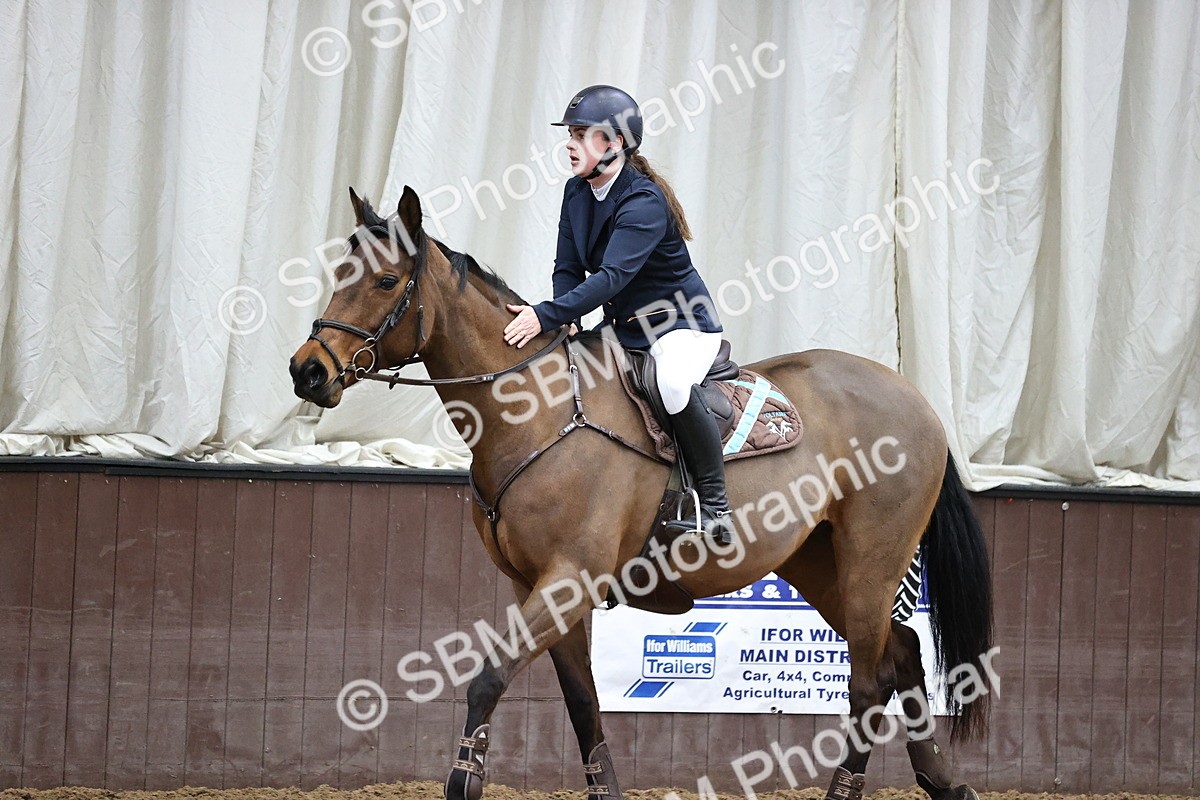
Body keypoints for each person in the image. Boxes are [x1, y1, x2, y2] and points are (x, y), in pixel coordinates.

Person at [502, 84, 734, 545]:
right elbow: (567, 266)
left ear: (613, 144)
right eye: (570, 133)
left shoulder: (644, 201)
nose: (569, 143)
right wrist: (567, 316)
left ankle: (715, 506)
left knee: (671, 384)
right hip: (626, 329)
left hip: (679, 324)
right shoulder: (576, 193)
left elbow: (611, 278)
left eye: (581, 134)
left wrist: (544, 316)